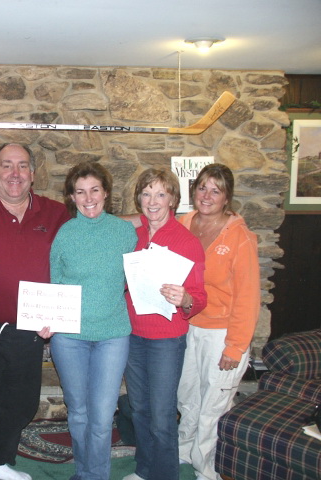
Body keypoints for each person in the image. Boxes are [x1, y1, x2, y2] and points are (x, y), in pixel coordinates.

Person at [0, 143, 70, 480]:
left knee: (21, 405)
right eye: (6, 165)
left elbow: (84, 239)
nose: (14, 174)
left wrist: (146, 219)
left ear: (33, 173)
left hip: (29, 330)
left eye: (22, 166)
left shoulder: (56, 213)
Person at [49, 162, 137, 479]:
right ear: (72, 197)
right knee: (78, 413)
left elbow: (136, 279)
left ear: (106, 193)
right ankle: (84, 472)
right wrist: (48, 318)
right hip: (69, 338)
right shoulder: (65, 235)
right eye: (80, 192)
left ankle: (95, 476)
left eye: (94, 190)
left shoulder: (125, 233)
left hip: (112, 336)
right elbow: (55, 283)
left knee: (101, 417)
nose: (88, 198)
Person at [122, 168, 207, 480]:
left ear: (173, 199)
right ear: (139, 200)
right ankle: (145, 470)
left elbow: (199, 298)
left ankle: (166, 474)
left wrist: (185, 298)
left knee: (161, 415)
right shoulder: (133, 236)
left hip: (166, 340)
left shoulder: (187, 241)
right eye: (146, 194)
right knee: (139, 409)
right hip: (132, 334)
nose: (152, 201)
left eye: (160, 194)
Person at [176, 163, 259, 480]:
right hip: (188, 327)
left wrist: (235, 347)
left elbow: (248, 296)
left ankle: (207, 469)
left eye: (216, 190)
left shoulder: (240, 237)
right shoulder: (184, 223)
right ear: (193, 190)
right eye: (202, 188)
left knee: (213, 406)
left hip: (222, 334)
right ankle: (184, 452)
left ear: (227, 197)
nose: (207, 196)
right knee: (187, 397)